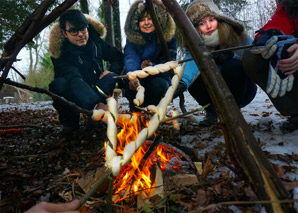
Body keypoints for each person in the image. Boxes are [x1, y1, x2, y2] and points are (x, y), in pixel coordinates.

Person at [174, 0, 257, 127]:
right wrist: (182, 82)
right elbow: (191, 63)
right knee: (194, 80)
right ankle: (212, 111)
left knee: (233, 66)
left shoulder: (235, 34)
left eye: (211, 20)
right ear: (195, 28)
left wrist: (233, 55)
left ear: (218, 19)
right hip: (214, 93)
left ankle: (233, 112)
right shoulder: (194, 44)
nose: (208, 26)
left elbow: (254, 53)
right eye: (202, 23)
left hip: (242, 90)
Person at [48, 9, 124, 135]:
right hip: (74, 92)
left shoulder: (96, 42)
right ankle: (70, 122)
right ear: (64, 33)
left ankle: (96, 119)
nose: (80, 34)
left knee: (113, 77)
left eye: (83, 29)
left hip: (98, 88)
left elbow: (118, 56)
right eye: (74, 31)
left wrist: (111, 71)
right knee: (58, 85)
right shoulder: (60, 54)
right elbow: (74, 78)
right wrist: (96, 104)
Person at [242, 0, 298, 132]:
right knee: (252, 57)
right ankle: (295, 110)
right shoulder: (289, 6)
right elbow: (278, 23)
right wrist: (267, 36)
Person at [123, 0, 177, 111]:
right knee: (129, 83)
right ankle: (136, 108)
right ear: (136, 23)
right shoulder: (132, 40)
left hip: (158, 79)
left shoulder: (169, 40)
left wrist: (153, 67)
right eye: (142, 20)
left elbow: (169, 64)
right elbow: (130, 58)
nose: (146, 23)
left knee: (159, 85)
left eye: (150, 18)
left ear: (159, 20)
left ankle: (154, 110)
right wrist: (134, 75)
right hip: (138, 78)